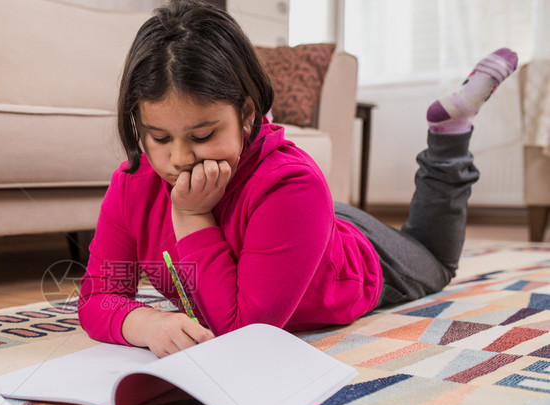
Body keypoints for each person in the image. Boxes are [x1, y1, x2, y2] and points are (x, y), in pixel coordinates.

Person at [77, 0, 518, 358]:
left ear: (247, 113)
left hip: (349, 253)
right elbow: (97, 296)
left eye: (203, 135)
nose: (178, 160)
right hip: (293, 224)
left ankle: (449, 136)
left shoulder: (292, 185)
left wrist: (193, 215)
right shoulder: (133, 181)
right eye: (158, 136)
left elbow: (242, 332)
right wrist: (143, 322)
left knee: (436, 261)